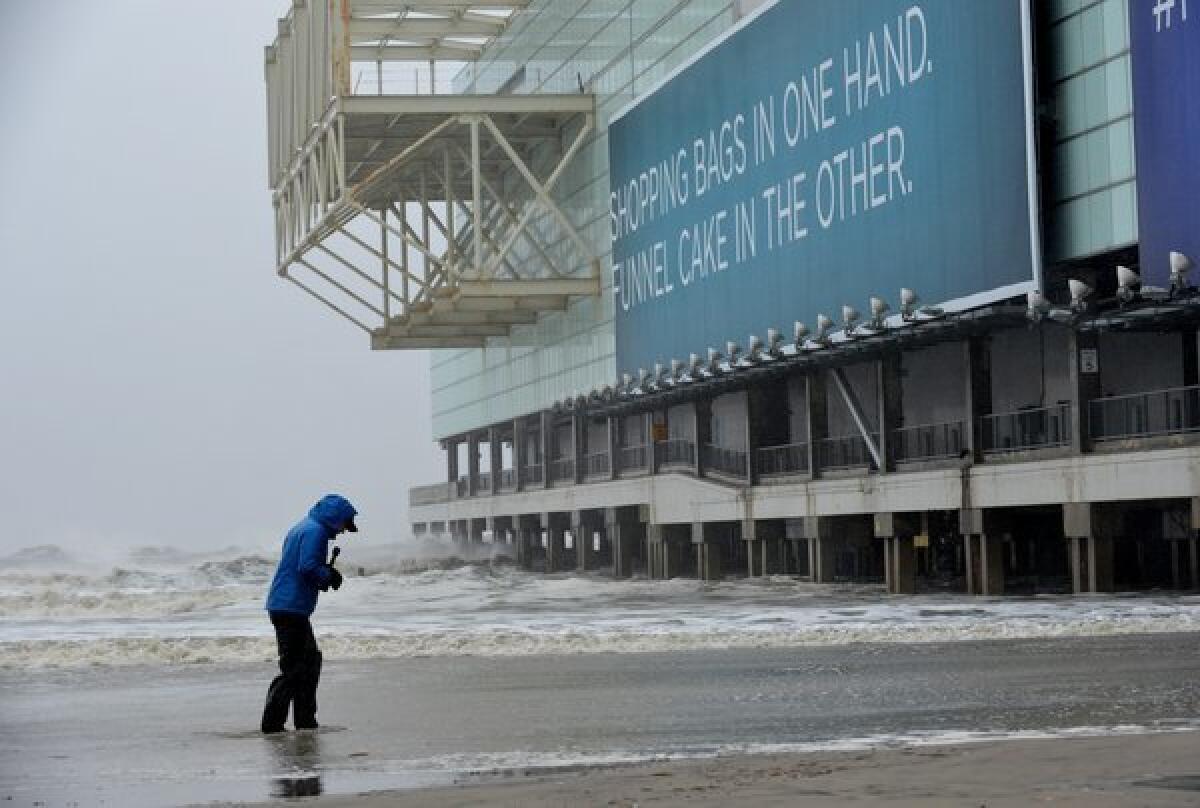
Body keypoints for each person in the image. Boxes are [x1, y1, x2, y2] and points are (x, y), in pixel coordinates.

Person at [261, 494, 358, 733]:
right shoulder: (316, 532)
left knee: (308, 664)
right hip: (290, 607)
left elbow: (302, 566)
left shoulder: (304, 527)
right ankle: (274, 724)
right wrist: (328, 575)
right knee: (297, 669)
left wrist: (324, 574)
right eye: (345, 525)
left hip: (287, 606)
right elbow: (307, 567)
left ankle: (304, 722)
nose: (344, 531)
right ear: (335, 518)